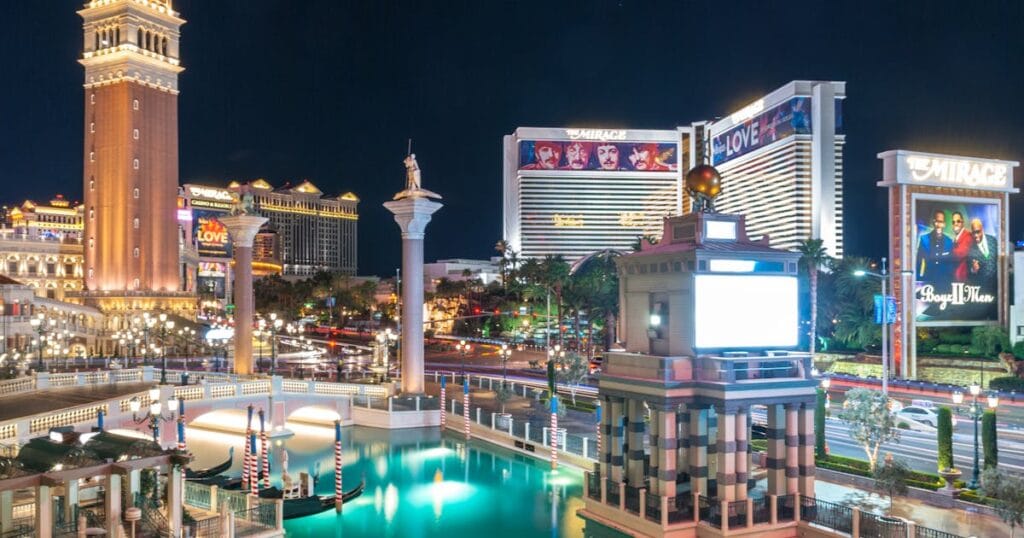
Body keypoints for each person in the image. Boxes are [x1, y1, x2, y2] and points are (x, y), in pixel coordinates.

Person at [915, 210, 952, 286]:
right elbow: (918, 263)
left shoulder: (949, 242)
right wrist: (918, 281)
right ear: (933, 222)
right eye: (937, 221)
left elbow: (951, 265)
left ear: (944, 224)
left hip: (944, 283)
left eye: (941, 222)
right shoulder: (924, 239)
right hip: (927, 282)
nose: (938, 225)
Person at [967, 218, 998, 290]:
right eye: (973, 233)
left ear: (982, 229)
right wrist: (973, 270)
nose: (976, 235)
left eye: (978, 232)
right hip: (983, 287)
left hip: (996, 285)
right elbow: (969, 273)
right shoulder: (970, 250)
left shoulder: (993, 240)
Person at [949, 211, 972, 282]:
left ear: (963, 222)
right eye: (953, 222)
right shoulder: (955, 239)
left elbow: (959, 255)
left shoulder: (968, 236)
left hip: (963, 280)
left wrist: (946, 251)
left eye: (958, 221)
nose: (955, 224)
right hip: (955, 280)